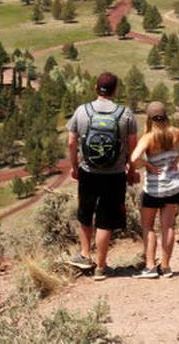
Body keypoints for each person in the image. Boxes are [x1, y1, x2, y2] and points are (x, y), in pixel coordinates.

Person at [67, 71, 139, 280]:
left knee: (85, 213)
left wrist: (74, 166)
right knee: (106, 220)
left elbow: (71, 142)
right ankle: (101, 266)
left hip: (88, 171)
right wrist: (131, 171)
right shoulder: (125, 114)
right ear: (116, 90)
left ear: (95, 88)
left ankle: (84, 254)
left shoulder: (82, 111)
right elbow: (133, 146)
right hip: (114, 174)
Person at [129, 100, 179, 279]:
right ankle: (166, 266)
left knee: (148, 227)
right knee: (168, 226)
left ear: (149, 118)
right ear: (166, 116)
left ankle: (149, 267)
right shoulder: (176, 133)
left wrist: (146, 164)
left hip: (154, 189)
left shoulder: (148, 137)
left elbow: (133, 159)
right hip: (174, 186)